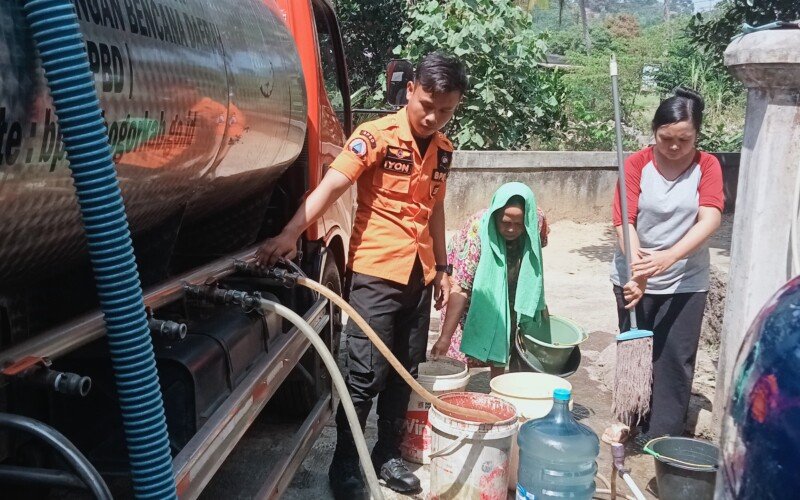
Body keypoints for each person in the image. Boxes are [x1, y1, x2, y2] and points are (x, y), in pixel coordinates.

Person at [256, 52, 468, 497]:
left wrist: (444, 269)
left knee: (404, 370)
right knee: (364, 372)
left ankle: (387, 455)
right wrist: (291, 233)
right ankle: (346, 464)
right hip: (375, 273)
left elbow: (435, 212)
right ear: (410, 89)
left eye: (446, 110)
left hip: (419, 276)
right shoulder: (375, 137)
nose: (433, 116)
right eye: (427, 103)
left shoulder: (444, 151)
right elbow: (332, 185)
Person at [610, 87, 724, 447]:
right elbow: (623, 221)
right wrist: (639, 271)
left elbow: (710, 218)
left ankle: (663, 439)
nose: (674, 147)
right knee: (636, 355)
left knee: (674, 360)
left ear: (697, 136)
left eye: (684, 140)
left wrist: (669, 257)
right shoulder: (635, 165)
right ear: (654, 131)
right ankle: (629, 423)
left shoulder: (707, 166)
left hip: (686, 280)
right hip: (634, 271)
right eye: (666, 138)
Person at [430, 182, 549, 379]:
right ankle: (459, 386)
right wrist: (444, 338)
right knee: (463, 336)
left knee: (505, 324)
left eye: (518, 224)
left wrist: (538, 303)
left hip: (509, 270)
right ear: (495, 216)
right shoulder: (477, 231)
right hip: (472, 280)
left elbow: (535, 258)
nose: (511, 229)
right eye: (505, 222)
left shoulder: (535, 220)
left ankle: (497, 387)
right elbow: (461, 290)